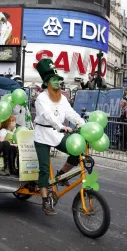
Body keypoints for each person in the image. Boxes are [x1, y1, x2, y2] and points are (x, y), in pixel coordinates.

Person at [34, 59, 85, 215]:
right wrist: (61, 127)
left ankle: (61, 175)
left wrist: (83, 124)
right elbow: (48, 116)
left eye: (58, 79)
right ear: (47, 82)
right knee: (44, 169)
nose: (57, 82)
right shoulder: (41, 99)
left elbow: (71, 113)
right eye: (54, 79)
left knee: (77, 152)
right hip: (43, 135)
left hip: (57, 134)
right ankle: (45, 202)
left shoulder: (62, 98)